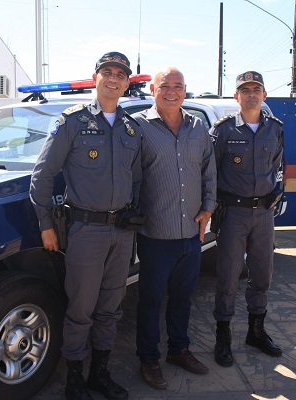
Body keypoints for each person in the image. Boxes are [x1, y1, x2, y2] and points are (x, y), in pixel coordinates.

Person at [30, 51, 142, 400]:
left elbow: (136, 180)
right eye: (107, 72)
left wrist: (133, 216)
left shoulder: (131, 128)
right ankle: (75, 378)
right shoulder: (72, 122)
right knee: (80, 308)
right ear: (95, 78)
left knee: (111, 307)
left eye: (120, 74)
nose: (113, 78)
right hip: (86, 232)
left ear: (127, 82)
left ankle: (99, 374)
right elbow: (42, 176)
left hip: (122, 233)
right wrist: (46, 224)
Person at [133, 67, 216, 389]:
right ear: (153, 88)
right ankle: (149, 359)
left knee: (183, 298)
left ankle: (179, 350)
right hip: (155, 234)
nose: (172, 91)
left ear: (185, 90)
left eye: (178, 86)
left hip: (191, 234)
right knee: (150, 301)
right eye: (165, 86)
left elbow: (210, 172)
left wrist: (209, 206)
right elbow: (129, 174)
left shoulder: (198, 128)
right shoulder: (138, 126)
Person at [210, 71, 285, 368]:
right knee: (228, 276)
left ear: (264, 95)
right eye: (245, 90)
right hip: (234, 214)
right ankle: (223, 337)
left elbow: (278, 167)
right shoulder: (224, 130)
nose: (251, 94)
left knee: (263, 274)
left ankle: (256, 331)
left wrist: (277, 198)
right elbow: (210, 172)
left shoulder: (275, 129)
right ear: (236, 97)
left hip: (265, 214)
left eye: (256, 89)